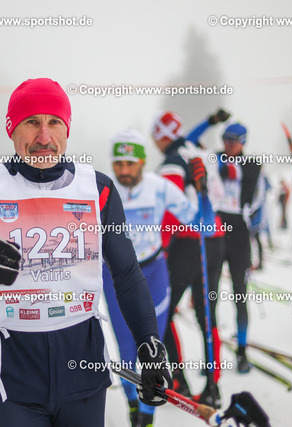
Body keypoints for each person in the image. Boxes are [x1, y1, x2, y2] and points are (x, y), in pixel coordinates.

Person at [0, 78, 172, 427]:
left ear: (67, 130)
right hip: (13, 381)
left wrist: (149, 344)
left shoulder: (98, 190)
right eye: (31, 122)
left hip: (84, 376)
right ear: (11, 129)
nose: (43, 136)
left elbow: (127, 275)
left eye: (54, 122)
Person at [103, 128, 212, 426]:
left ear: (143, 161)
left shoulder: (160, 187)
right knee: (127, 351)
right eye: (118, 164)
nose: (124, 171)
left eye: (130, 164)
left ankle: (148, 416)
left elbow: (204, 224)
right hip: (114, 275)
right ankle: (133, 409)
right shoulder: (103, 190)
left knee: (153, 351)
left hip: (153, 273)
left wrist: (203, 190)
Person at [152, 109, 228, 404]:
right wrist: (209, 122)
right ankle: (213, 388)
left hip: (188, 243)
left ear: (161, 137)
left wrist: (160, 246)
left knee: (163, 311)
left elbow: (170, 209)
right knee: (207, 314)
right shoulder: (194, 148)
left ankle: (178, 379)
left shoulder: (172, 161)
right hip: (215, 239)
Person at [215, 122, 265, 372]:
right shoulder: (214, 159)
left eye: (233, 140)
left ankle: (242, 351)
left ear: (243, 142)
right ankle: (211, 355)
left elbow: (258, 200)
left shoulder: (252, 164)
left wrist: (252, 223)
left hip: (238, 232)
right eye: (225, 139)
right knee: (209, 295)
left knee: (239, 295)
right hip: (216, 230)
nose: (228, 144)